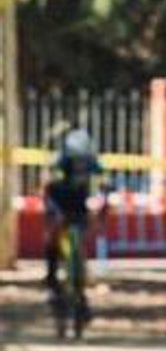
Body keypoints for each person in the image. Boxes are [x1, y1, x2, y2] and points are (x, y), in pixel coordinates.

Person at [43, 127, 104, 312]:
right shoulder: (61, 164)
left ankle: (80, 284)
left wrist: (98, 205)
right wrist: (55, 213)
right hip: (62, 208)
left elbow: (103, 186)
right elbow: (50, 190)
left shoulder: (93, 163)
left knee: (79, 244)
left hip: (81, 210)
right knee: (52, 238)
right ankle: (51, 277)